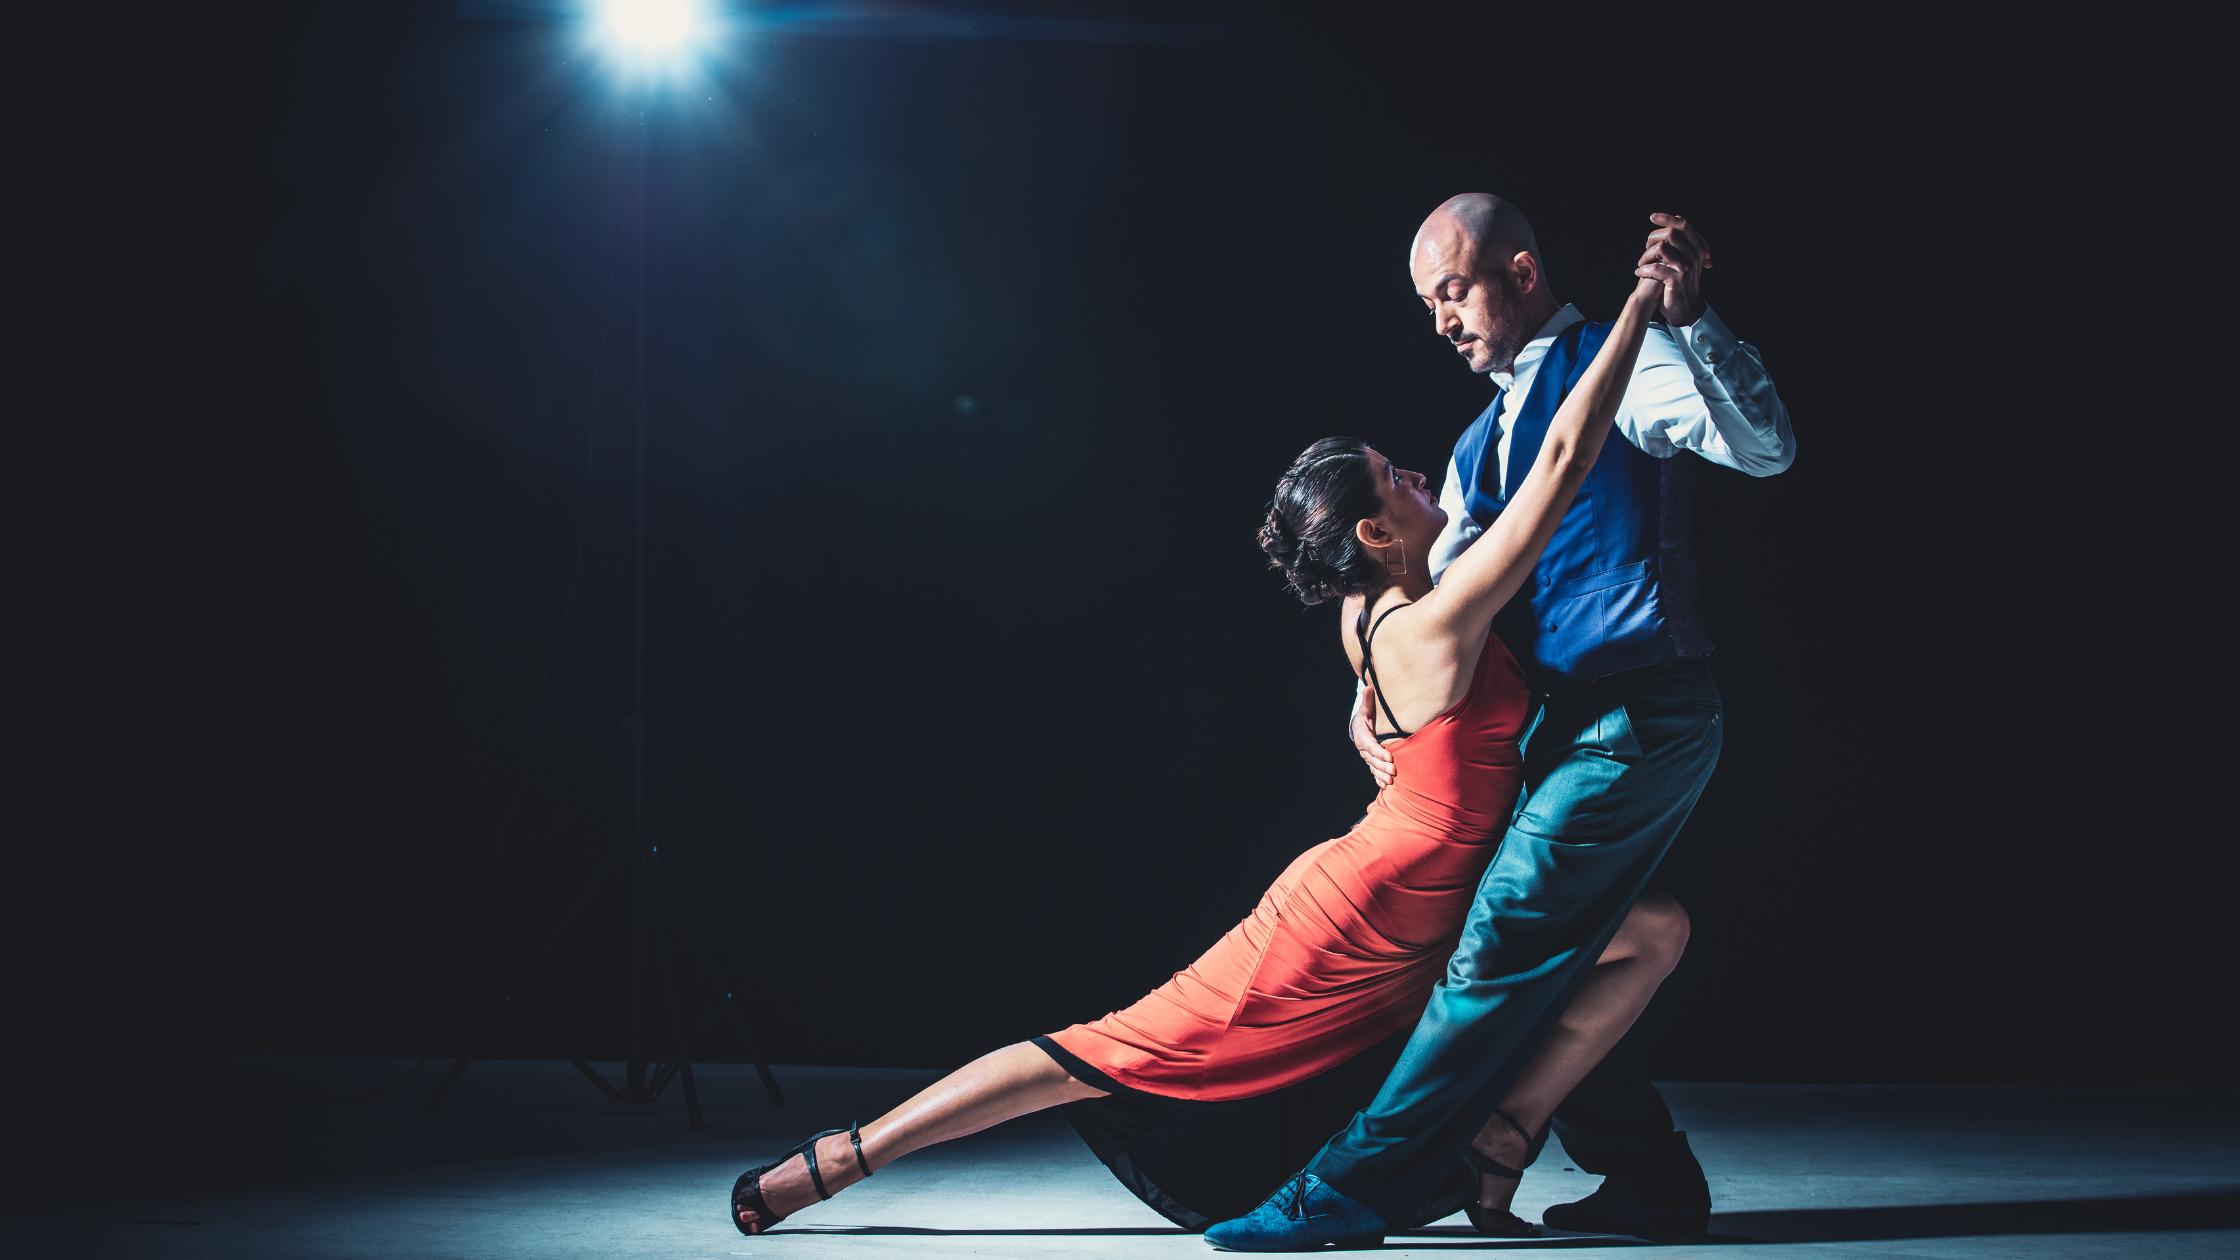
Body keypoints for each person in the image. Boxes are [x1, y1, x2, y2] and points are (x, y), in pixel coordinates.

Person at [729, 253, 1682, 1238]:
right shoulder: (1436, 624)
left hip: (1442, 887)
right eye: (1398, 480)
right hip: (1360, 915)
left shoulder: (1370, 606)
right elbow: (1565, 459)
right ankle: (842, 1158)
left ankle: (1502, 1139)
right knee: (1105, 1053)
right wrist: (1633, 313)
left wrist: (1366, 729)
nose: (1417, 475)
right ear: (1374, 528)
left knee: (1650, 931)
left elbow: (1376, 706)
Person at [1203, 197, 1794, 1251]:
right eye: (1425, 303)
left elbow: (1762, 450)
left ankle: (1349, 1190)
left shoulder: (1629, 364)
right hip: (1554, 733)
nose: (1438, 320)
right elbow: (1433, 590)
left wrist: (1694, 325)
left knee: (1502, 944)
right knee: (1571, 945)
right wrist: (1365, 687)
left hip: (1639, 708)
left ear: (1518, 272)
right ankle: (1646, 1175)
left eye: (1451, 290)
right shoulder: (1475, 443)